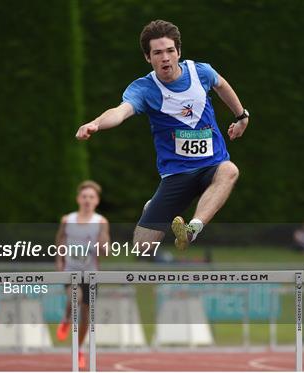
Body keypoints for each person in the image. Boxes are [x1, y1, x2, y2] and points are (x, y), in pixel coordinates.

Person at [75, 20, 249, 251]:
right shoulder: (145, 89)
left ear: (178, 52)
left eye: (169, 51)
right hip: (176, 175)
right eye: (157, 53)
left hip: (212, 164)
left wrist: (241, 116)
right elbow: (120, 111)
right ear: (148, 57)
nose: (165, 57)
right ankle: (154, 207)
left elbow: (221, 85)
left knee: (230, 170)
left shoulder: (201, 72)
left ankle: (192, 229)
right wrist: (96, 123)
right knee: (142, 246)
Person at [54, 180, 110, 368]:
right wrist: (59, 262)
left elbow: (106, 250)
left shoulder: (101, 222)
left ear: (97, 201)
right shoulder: (67, 220)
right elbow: (60, 240)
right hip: (70, 271)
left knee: (86, 315)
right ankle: (66, 318)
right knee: (75, 297)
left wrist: (103, 244)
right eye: (84, 196)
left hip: (91, 273)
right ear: (78, 199)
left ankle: (78, 350)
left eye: (91, 197)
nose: (87, 200)